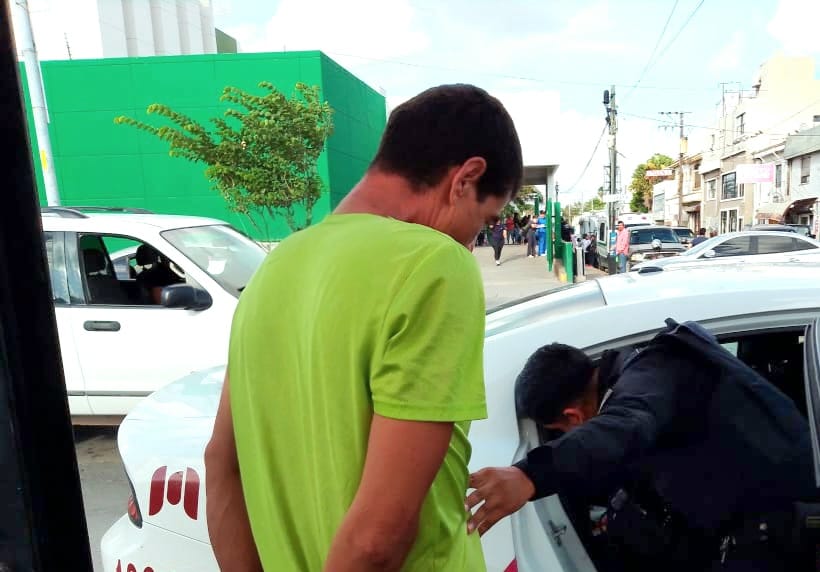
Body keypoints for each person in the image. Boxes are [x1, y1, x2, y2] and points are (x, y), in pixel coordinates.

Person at [204, 84, 523, 572]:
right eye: (483, 220)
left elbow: (221, 465)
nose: (471, 243)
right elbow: (376, 539)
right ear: (465, 178)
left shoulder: (275, 267)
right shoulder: (435, 264)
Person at [466, 319, 817, 571]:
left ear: (573, 416)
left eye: (561, 431)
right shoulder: (642, 369)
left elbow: (625, 426)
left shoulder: (648, 381)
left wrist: (530, 475)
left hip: (776, 529)